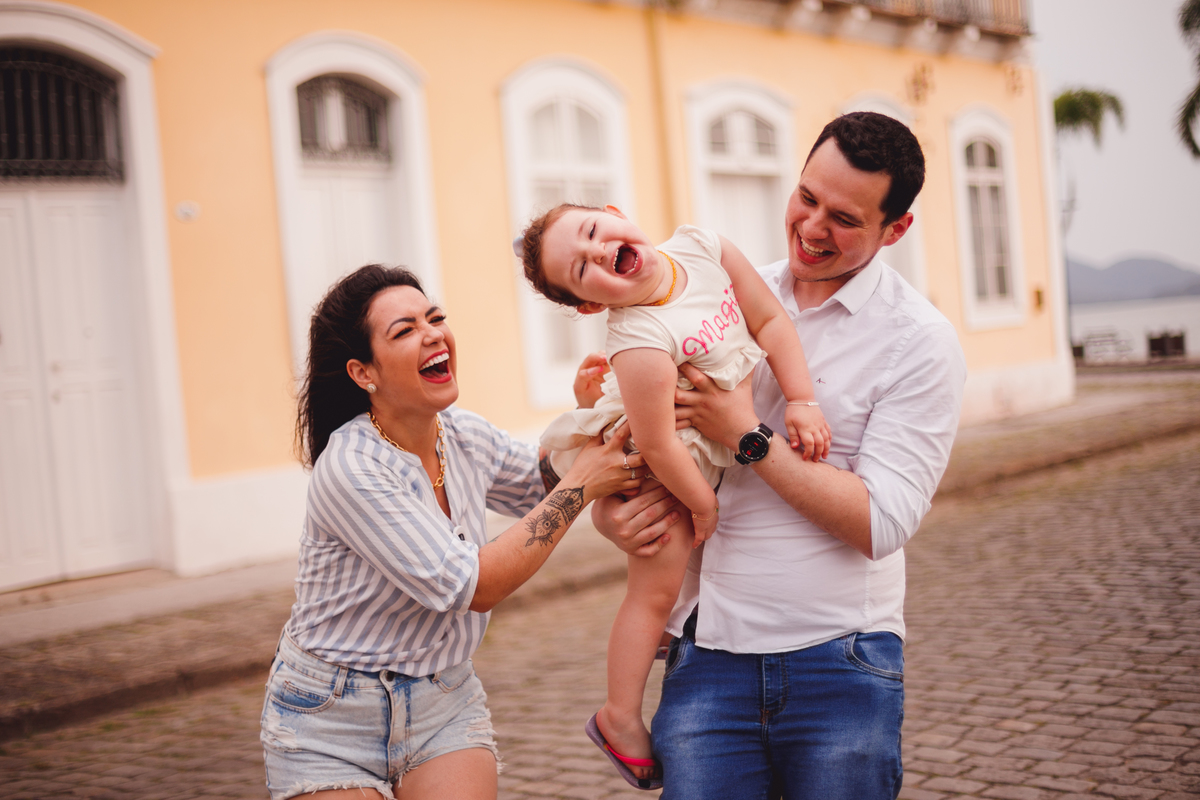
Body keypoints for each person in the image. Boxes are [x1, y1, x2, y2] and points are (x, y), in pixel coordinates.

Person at [593, 111, 969, 799]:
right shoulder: (716, 292)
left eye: (845, 219)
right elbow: (645, 442)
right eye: (807, 198)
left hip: (841, 663)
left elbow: (881, 523)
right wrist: (613, 518)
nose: (812, 226)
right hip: (706, 658)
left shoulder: (920, 342)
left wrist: (749, 438)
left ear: (896, 229)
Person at [260, 265, 641, 800]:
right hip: (329, 715)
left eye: (433, 317)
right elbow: (471, 585)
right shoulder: (352, 467)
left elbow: (539, 482)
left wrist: (586, 418)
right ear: (363, 373)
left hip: (442, 697)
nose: (433, 333)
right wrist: (581, 484)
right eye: (405, 330)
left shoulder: (460, 432)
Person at [517, 207, 830, 788]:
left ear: (614, 214)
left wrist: (801, 400)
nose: (598, 252)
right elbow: (659, 444)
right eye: (582, 270)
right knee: (654, 590)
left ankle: (666, 639)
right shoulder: (635, 338)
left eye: (592, 232)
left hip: (699, 448)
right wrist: (701, 506)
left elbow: (771, 320)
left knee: (670, 590)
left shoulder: (703, 246)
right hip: (660, 470)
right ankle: (618, 715)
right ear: (590, 305)